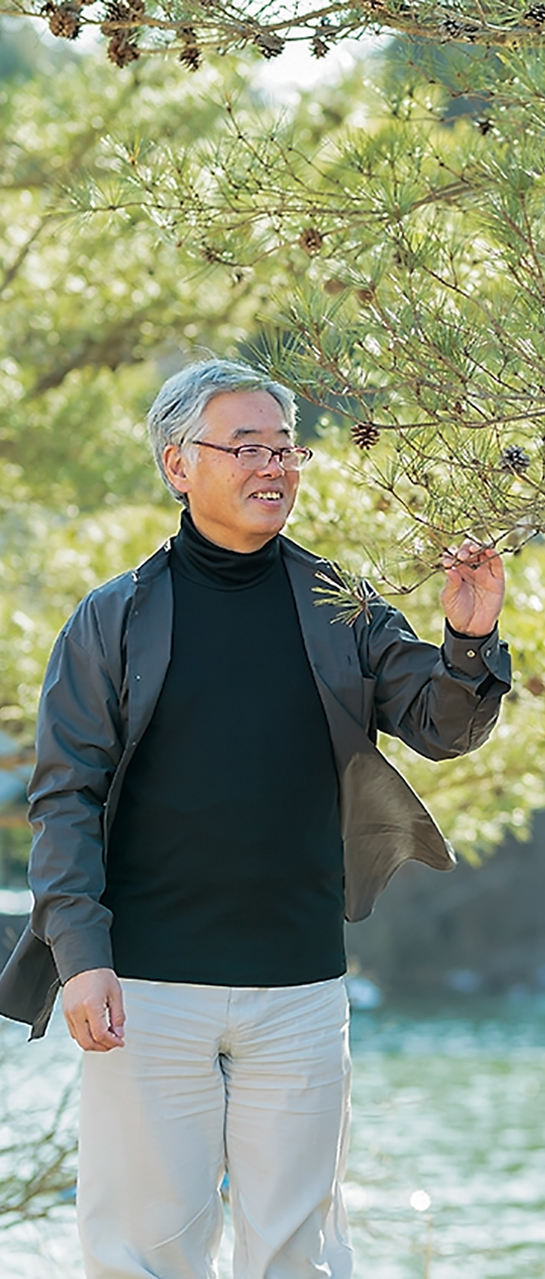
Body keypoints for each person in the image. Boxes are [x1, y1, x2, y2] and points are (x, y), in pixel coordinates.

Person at [0, 358, 511, 1278]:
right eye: (245, 447)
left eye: (286, 447)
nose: (272, 465)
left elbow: (442, 724)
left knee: (298, 1255)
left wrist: (468, 640)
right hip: (144, 990)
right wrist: (81, 958)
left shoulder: (339, 606)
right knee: (140, 1256)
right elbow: (64, 796)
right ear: (177, 464)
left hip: (301, 988)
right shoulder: (111, 619)